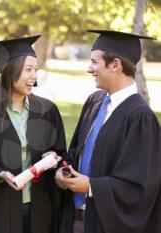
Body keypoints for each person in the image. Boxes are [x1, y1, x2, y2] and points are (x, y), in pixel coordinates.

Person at [55, 30, 161, 233]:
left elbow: (139, 186)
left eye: (94, 62)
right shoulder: (94, 102)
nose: (89, 68)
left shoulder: (140, 118)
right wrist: (64, 168)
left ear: (115, 65)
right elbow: (77, 150)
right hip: (75, 221)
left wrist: (91, 187)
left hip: (106, 225)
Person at [0, 36, 67, 233]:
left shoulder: (46, 110)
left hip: (40, 210)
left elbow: (60, 152)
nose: (34, 75)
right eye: (28, 69)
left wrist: (52, 157)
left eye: (36, 69)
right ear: (10, 70)